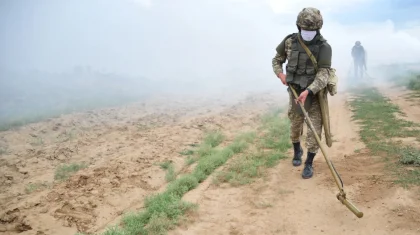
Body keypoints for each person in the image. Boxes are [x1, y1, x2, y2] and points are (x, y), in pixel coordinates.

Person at [271, 7, 332, 179]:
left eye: (312, 30)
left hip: (314, 95)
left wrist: (310, 90)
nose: (308, 33)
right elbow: (276, 60)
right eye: (305, 29)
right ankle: (297, 150)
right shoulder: (289, 41)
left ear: (318, 29)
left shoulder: (324, 47)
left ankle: (309, 163)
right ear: (299, 27)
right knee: (295, 125)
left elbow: (324, 73)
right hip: (295, 92)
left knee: (314, 130)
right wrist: (280, 73)